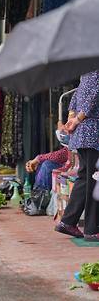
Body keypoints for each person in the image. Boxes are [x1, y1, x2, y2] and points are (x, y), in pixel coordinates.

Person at [55, 70, 99, 240]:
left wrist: (72, 117)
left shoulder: (86, 73)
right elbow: (94, 95)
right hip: (93, 132)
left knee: (84, 178)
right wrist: (77, 119)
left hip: (82, 134)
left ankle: (68, 221)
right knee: (95, 179)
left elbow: (76, 97)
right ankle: (91, 229)